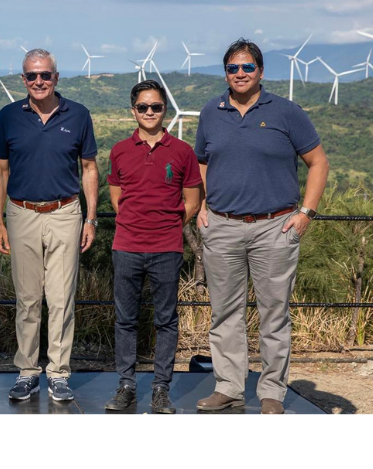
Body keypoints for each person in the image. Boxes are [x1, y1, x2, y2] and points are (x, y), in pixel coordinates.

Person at [195, 39, 329, 416]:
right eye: (233, 68)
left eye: (247, 67)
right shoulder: (210, 112)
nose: (240, 74)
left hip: (275, 227)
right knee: (224, 314)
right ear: (226, 73)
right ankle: (229, 388)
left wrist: (307, 212)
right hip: (222, 227)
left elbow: (318, 163)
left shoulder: (287, 112)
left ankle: (272, 392)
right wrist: (204, 205)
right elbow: (202, 161)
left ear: (261, 71)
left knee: (274, 313)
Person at [0, 49, 99, 402]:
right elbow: (0, 171)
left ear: (56, 77)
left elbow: (89, 168)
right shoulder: (8, 115)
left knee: (61, 298)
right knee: (27, 298)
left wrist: (91, 217)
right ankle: (27, 372)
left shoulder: (79, 115)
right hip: (20, 212)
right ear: (23, 80)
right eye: (31, 76)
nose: (39, 81)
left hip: (65, 212)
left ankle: (58, 373)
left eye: (45, 75)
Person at [103, 80, 203, 415]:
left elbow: (192, 200)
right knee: (125, 319)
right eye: (143, 107)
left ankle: (161, 388)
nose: (149, 112)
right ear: (133, 110)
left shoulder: (182, 151)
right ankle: (126, 385)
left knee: (166, 320)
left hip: (166, 248)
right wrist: (135, 221)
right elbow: (116, 196)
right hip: (127, 246)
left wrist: (168, 225)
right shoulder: (119, 150)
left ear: (165, 110)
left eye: (156, 107)